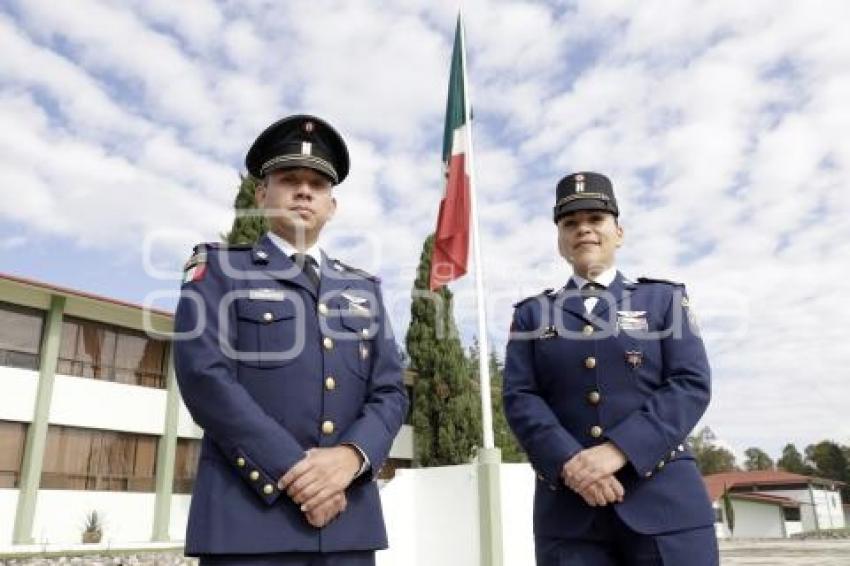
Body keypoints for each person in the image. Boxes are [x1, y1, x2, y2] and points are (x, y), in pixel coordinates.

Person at [173, 114, 409, 566]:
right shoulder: (219, 270)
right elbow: (205, 377)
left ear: (332, 205)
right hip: (250, 526)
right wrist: (295, 472)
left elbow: (389, 392)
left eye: (318, 184)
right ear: (261, 194)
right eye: (289, 179)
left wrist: (350, 458)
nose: (304, 190)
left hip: (348, 528)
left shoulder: (363, 289)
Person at [503, 172, 718, 565]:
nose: (583, 229)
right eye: (570, 223)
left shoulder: (663, 300)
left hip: (667, 508)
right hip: (569, 517)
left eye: (595, 219)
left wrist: (619, 450)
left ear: (619, 232)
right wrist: (572, 463)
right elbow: (520, 397)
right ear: (560, 240)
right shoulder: (533, 312)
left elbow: (691, 384)